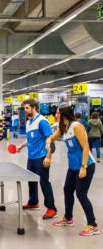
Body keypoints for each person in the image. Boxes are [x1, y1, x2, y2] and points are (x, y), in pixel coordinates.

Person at [45, 106, 99, 236]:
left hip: (86, 165)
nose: (56, 115)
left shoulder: (76, 126)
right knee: (67, 190)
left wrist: (83, 166)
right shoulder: (64, 128)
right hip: (73, 166)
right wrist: (49, 142)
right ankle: (68, 218)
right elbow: (51, 137)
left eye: (58, 113)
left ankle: (93, 225)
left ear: (64, 114)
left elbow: (86, 147)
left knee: (81, 194)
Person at [16, 99, 57, 220]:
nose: (25, 110)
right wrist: (21, 146)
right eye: (24, 108)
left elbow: (50, 139)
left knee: (44, 182)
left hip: (42, 157)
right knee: (31, 180)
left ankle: (51, 209)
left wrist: (49, 156)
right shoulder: (29, 122)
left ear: (34, 108)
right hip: (32, 157)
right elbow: (30, 139)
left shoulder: (42, 121)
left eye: (27, 108)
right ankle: (33, 202)